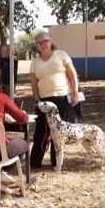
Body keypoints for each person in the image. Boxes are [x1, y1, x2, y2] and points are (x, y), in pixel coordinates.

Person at [29, 31, 79, 168]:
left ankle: (56, 161)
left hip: (62, 98)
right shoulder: (35, 61)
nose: (42, 44)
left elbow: (72, 74)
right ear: (36, 46)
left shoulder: (61, 55)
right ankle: (35, 161)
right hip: (44, 101)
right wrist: (37, 101)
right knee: (41, 130)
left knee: (58, 131)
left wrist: (75, 93)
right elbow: (33, 83)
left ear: (50, 42)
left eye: (45, 41)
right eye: (39, 43)